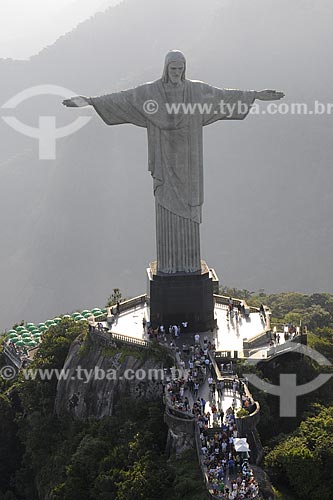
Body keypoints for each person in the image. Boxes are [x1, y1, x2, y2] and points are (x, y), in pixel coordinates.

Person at [63, 50, 284, 274]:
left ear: (184, 69)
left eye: (180, 69)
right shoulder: (151, 92)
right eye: (173, 69)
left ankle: (189, 264)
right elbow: (124, 98)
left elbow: (223, 96)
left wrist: (255, 95)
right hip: (164, 158)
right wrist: (89, 101)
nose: (177, 73)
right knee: (165, 203)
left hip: (189, 160)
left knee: (188, 206)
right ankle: (168, 264)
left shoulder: (196, 91)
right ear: (166, 69)